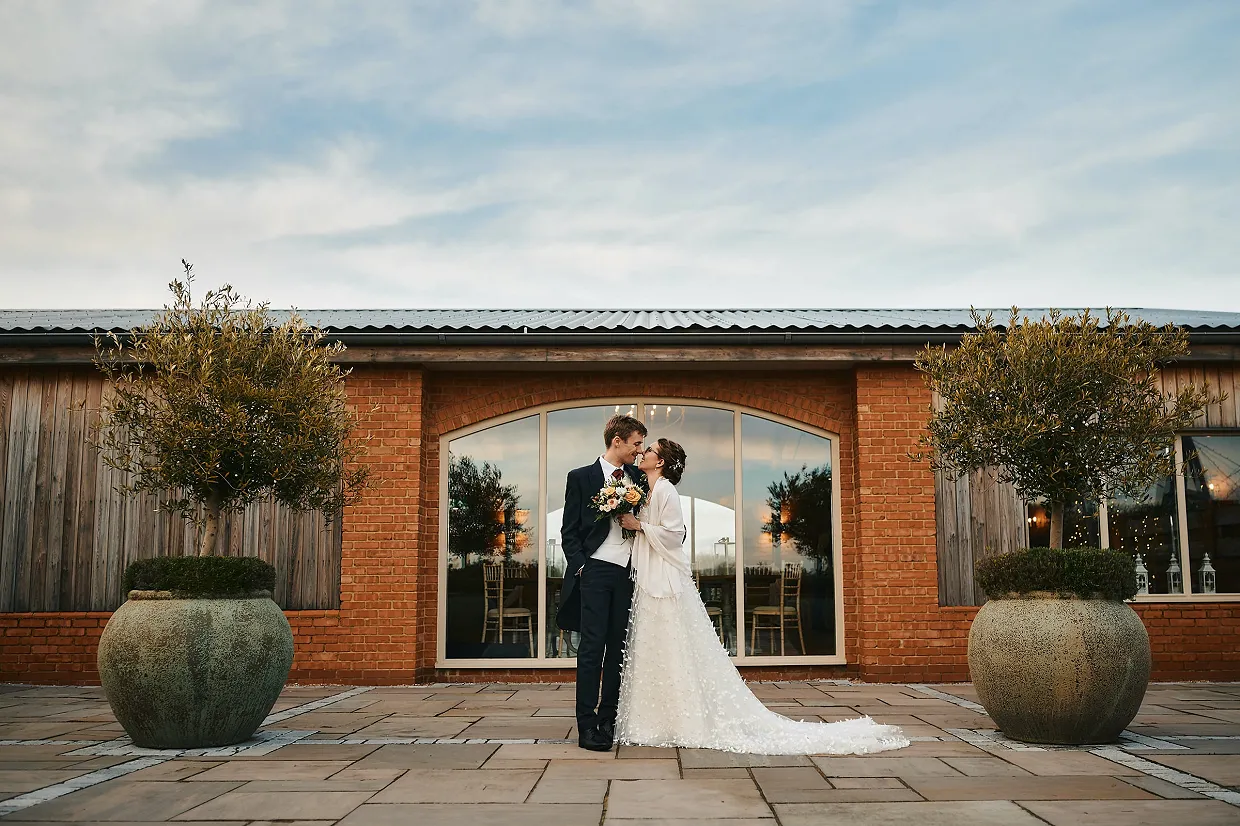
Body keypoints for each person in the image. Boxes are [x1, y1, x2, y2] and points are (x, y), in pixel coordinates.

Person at [615, 438, 910, 755]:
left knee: (672, 646)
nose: (643, 453)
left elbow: (675, 536)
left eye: (649, 450)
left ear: (660, 462)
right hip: (653, 579)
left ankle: (678, 720)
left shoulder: (666, 491)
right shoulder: (649, 491)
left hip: (665, 582)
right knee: (658, 645)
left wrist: (639, 525)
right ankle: (657, 719)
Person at [556, 414, 647, 752]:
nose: (639, 451)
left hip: (628, 573)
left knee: (617, 647)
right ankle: (586, 725)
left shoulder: (639, 478)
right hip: (594, 570)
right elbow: (569, 531)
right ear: (617, 441)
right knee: (592, 649)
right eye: (636, 443)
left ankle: (608, 719)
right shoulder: (581, 477)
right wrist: (582, 566)